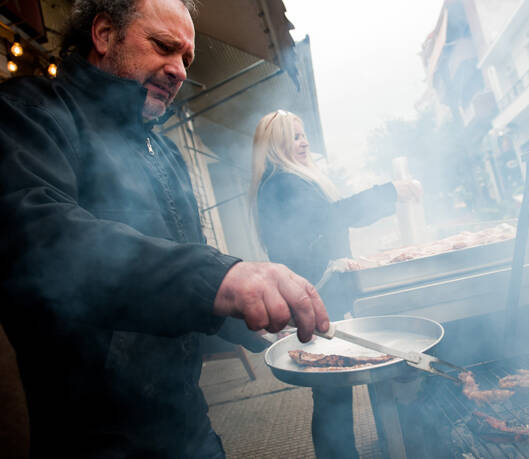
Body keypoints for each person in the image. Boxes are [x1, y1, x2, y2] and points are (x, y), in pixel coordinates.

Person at [0, 0, 330, 457]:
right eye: (162, 47)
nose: (177, 70)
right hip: (95, 441)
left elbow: (184, 271)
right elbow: (41, 237)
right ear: (104, 34)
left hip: (190, 426)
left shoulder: (164, 151)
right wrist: (221, 278)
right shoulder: (30, 112)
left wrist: (248, 319)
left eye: (186, 60)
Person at [249, 109, 422, 458]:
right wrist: (391, 193)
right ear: (275, 144)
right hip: (314, 298)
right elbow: (330, 216)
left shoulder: (286, 180)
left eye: (303, 134)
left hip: (319, 295)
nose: (304, 141)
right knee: (331, 394)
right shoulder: (282, 183)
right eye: (294, 136)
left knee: (332, 391)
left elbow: (321, 232)